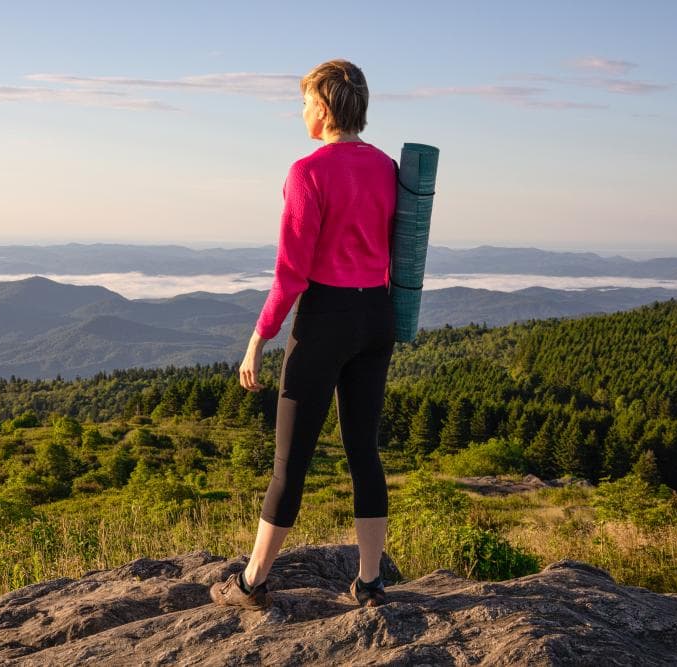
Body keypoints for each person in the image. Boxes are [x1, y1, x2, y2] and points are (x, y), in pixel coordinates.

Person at [209, 59, 397, 611]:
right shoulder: (388, 168)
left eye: (306, 101)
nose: (301, 111)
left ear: (325, 106)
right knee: (364, 452)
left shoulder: (307, 173)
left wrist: (258, 338)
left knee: (291, 462)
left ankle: (253, 582)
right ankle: (370, 583)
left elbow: (291, 273)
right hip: (377, 317)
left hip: (325, 321)